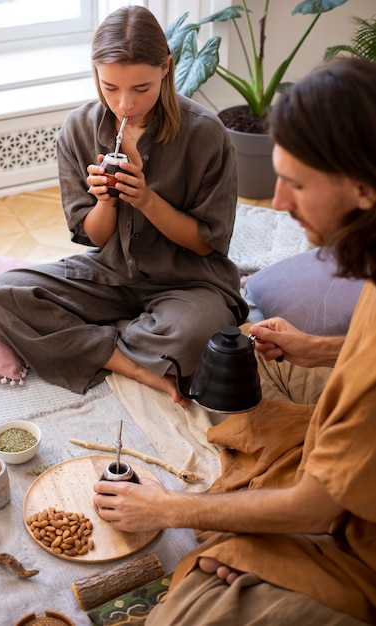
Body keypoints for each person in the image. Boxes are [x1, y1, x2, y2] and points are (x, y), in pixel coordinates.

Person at [93, 57, 376, 625]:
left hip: (354, 546)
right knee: (242, 344)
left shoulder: (199, 133)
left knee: (188, 607)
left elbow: (319, 510)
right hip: (125, 285)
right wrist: (320, 349)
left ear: (363, 188)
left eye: (295, 184)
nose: (279, 205)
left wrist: (168, 507)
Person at [0, 6, 248, 399]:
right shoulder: (78, 130)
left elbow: (205, 244)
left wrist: (145, 199)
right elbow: (95, 238)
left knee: (195, 336)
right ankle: (135, 365)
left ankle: (96, 341)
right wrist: (105, 201)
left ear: (166, 68)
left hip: (189, 282)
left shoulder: (207, 135)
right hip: (110, 273)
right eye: (110, 88)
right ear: (95, 75)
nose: (125, 105)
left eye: (141, 88)